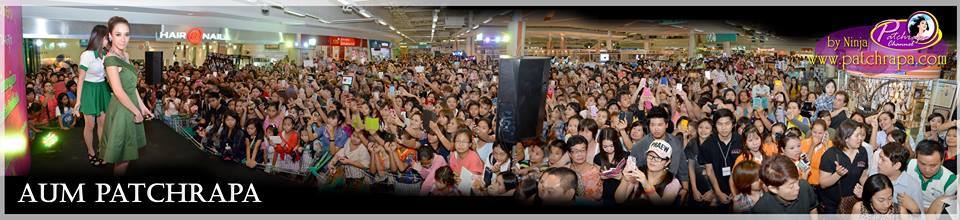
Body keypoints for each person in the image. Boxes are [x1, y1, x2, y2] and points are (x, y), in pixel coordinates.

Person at [100, 16, 150, 176]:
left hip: (131, 104)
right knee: (122, 157)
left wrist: (142, 107)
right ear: (110, 36)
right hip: (122, 109)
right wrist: (135, 111)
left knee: (127, 156)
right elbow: (118, 91)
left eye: (126, 34)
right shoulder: (110, 59)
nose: (123, 39)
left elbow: (132, 87)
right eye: (118, 34)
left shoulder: (126, 56)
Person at [630, 106, 689, 200]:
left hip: (671, 191)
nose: (656, 129)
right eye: (652, 125)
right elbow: (632, 174)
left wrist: (685, 189)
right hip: (645, 193)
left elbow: (682, 168)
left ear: (666, 124)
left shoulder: (676, 142)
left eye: (660, 125)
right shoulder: (638, 146)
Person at [73, 24, 111, 166]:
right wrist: (78, 101)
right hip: (89, 90)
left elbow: (109, 76)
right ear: (100, 38)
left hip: (102, 89)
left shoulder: (107, 54)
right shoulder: (87, 55)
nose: (109, 40)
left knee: (103, 124)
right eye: (107, 37)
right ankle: (91, 151)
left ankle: (102, 150)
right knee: (90, 125)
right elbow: (81, 79)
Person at [818, 119, 870, 214]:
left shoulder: (862, 152)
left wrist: (867, 190)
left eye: (861, 135)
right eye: (857, 135)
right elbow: (823, 183)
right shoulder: (830, 155)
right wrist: (837, 174)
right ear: (846, 138)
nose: (861, 138)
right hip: (832, 205)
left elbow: (863, 175)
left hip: (853, 202)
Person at [615, 139, 681, 206]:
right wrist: (625, 179)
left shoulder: (673, 182)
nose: (652, 160)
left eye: (658, 158)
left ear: (667, 162)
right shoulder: (638, 173)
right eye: (650, 156)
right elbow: (619, 200)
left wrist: (646, 185)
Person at [700, 109, 742, 207]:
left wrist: (737, 190)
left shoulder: (741, 140)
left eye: (727, 123)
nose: (724, 128)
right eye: (720, 124)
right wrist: (718, 193)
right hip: (718, 188)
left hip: (739, 187)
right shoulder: (708, 144)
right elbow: (709, 171)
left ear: (733, 124)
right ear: (715, 125)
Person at [751, 155, 819, 214]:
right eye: (791, 185)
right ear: (773, 189)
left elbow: (812, 209)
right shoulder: (761, 209)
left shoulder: (804, 186)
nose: (798, 187)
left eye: (797, 180)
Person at [906, 140, 958, 211]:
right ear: (916, 158)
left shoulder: (950, 181)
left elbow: (943, 210)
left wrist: (918, 209)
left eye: (933, 165)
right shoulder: (909, 165)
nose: (927, 170)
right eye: (922, 164)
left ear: (942, 161)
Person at [875, 142, 923, 214]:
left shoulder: (913, 186)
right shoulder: (875, 178)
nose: (878, 162)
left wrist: (914, 209)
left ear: (897, 165)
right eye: (879, 157)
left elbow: (921, 217)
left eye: (883, 159)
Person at [686, 118, 716, 208]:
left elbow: (719, 170)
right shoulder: (692, 143)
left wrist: (713, 191)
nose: (703, 130)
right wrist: (694, 189)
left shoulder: (716, 145)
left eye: (707, 128)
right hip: (696, 185)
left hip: (713, 187)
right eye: (700, 127)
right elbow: (690, 167)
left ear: (712, 131)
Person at [594, 128, 628, 204]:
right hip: (604, 197)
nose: (609, 149)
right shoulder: (598, 158)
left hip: (622, 197)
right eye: (605, 146)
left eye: (612, 146)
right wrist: (601, 177)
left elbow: (632, 181)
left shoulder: (626, 156)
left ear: (617, 142)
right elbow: (595, 180)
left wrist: (621, 177)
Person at [568, 135, 603, 202]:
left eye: (583, 150)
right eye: (576, 151)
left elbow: (596, 198)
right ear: (569, 154)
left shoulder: (594, 173)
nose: (580, 154)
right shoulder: (566, 171)